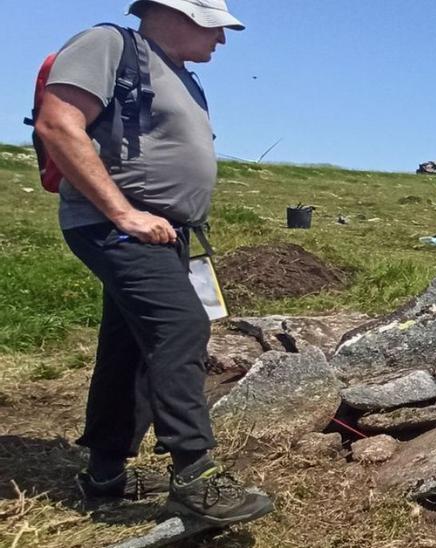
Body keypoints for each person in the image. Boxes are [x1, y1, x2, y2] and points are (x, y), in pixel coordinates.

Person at [34, 0, 273, 526]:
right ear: (173, 14)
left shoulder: (179, 74)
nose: (223, 40)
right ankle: (195, 477)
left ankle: (104, 473)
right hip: (119, 225)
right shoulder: (108, 45)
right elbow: (58, 123)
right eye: (214, 26)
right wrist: (124, 213)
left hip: (163, 232)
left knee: (130, 347)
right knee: (180, 327)